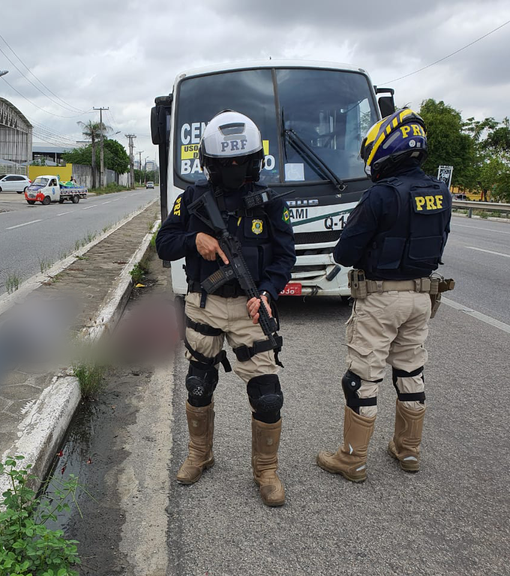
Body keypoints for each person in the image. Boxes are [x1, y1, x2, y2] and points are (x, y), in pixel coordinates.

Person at [155, 110, 296, 507]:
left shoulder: (269, 203)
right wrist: (194, 238)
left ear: (255, 161)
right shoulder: (192, 199)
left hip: (252, 308)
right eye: (224, 164)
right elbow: (163, 245)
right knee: (198, 385)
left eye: (241, 163)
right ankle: (200, 454)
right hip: (206, 305)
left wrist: (267, 292)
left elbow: (285, 257)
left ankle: (266, 471)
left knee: (268, 396)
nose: (234, 170)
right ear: (209, 165)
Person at [316, 108, 452, 482]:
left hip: (381, 298)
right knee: (411, 371)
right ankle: (408, 451)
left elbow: (344, 254)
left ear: (385, 148)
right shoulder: (440, 192)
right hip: (423, 296)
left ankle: (352, 459)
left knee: (363, 377)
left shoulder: (380, 195)